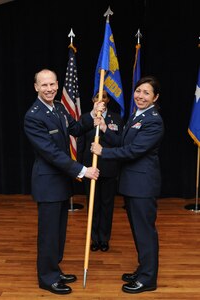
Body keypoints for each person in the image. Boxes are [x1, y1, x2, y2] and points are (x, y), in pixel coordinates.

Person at [24, 69, 104, 295]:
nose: (49, 89)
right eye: (44, 85)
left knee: (58, 232)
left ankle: (54, 270)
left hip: (61, 182)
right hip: (48, 184)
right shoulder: (34, 115)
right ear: (36, 87)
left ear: (58, 85)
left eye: (52, 84)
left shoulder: (58, 107)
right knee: (49, 234)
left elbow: (76, 129)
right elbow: (51, 153)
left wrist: (92, 114)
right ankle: (47, 278)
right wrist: (82, 170)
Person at [91, 76, 164, 294]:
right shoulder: (136, 114)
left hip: (143, 185)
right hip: (132, 184)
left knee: (145, 232)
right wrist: (104, 128)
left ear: (155, 97)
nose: (140, 96)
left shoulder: (154, 120)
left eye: (146, 93)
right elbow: (124, 141)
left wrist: (104, 151)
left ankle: (148, 279)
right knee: (138, 231)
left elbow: (133, 151)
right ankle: (143, 270)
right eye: (138, 91)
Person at [77, 90, 124, 252]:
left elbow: (119, 143)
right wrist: (80, 168)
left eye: (104, 97)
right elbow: (81, 145)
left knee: (106, 205)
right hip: (90, 169)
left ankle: (104, 238)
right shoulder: (85, 118)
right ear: (93, 99)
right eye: (97, 96)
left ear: (108, 100)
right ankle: (94, 238)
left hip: (109, 168)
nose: (101, 99)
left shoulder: (116, 119)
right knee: (93, 205)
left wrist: (105, 129)